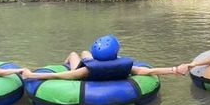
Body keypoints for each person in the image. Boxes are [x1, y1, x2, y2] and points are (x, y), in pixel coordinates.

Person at [19, 35, 188, 82]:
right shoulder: (126, 67)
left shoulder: (85, 70)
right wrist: (174, 70)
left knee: (74, 54)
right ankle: (83, 55)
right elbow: (148, 71)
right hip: (101, 66)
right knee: (85, 53)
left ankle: (66, 62)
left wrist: (32, 75)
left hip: (81, 71)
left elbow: (59, 76)